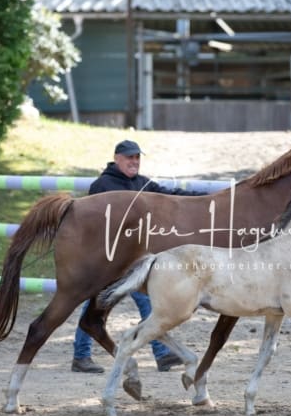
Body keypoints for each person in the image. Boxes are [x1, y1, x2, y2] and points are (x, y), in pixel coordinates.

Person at [72, 139, 206, 373]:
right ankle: (81, 356)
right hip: (107, 260)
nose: (134, 161)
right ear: (117, 158)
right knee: (94, 304)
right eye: (129, 157)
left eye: (137, 157)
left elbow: (169, 195)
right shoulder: (102, 185)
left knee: (147, 302)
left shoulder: (142, 183)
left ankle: (162, 354)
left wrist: (203, 198)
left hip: (134, 259)